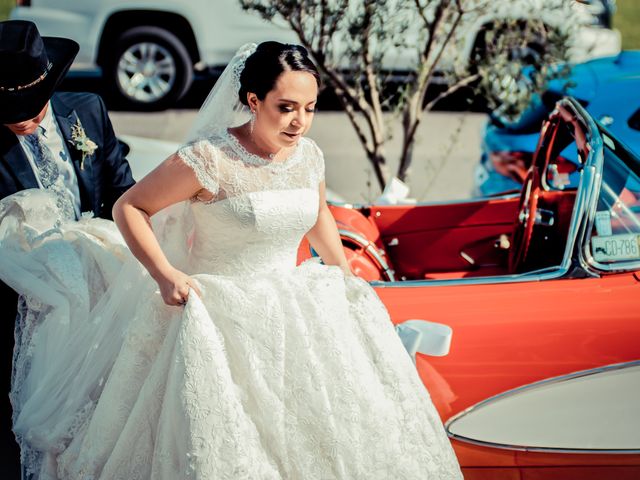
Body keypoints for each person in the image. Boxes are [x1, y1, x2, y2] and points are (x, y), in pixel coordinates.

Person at [0, 42, 462, 479]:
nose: (299, 122)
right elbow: (130, 207)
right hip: (220, 316)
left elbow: (317, 211)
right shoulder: (209, 159)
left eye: (310, 108)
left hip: (300, 310)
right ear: (253, 99)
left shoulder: (309, 156)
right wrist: (165, 275)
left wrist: (340, 271)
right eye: (286, 108)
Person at [0, 20, 135, 478]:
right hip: (21, 308)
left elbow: (122, 191)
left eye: (32, 106)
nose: (23, 117)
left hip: (101, 293)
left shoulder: (87, 111)